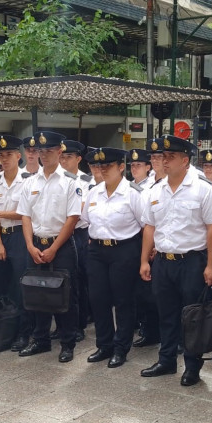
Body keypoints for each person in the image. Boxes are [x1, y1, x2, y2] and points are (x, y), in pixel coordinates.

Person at [139, 135, 212, 386]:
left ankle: (192, 366)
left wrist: (211, 265)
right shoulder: (156, 191)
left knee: (192, 316)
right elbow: (149, 228)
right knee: (166, 313)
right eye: (162, 156)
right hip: (164, 261)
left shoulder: (202, 189)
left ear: (185, 160)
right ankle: (166, 360)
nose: (164, 161)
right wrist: (145, 260)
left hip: (192, 262)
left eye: (170, 157)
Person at [16, 131, 81, 363]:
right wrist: (30, 246)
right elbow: (24, 216)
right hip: (35, 244)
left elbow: (72, 218)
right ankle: (40, 340)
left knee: (65, 295)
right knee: (36, 293)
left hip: (60, 246)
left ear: (60, 151)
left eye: (49, 151)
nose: (44, 155)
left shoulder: (71, 182)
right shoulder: (30, 182)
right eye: (40, 151)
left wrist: (54, 248)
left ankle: (67, 343)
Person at [82, 148, 145, 368]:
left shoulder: (133, 193)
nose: (103, 170)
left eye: (108, 166)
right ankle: (104, 345)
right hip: (97, 251)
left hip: (124, 250)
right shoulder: (94, 192)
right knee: (98, 299)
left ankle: (121, 348)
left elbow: (145, 225)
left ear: (121, 167)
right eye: (100, 166)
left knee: (123, 301)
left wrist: (145, 256)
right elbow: (87, 220)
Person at [0, 135, 34, 351]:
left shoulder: (27, 181)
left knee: (20, 285)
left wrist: (1, 214)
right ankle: (4, 328)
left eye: (8, 155)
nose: (4, 159)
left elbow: (25, 213)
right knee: (0, 284)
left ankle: (24, 333)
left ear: (18, 156)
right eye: (1, 155)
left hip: (19, 237)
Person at [59, 139, 91, 341]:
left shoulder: (85, 181)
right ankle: (60, 325)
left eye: (68, 157)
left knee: (78, 280)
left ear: (78, 159)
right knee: (59, 280)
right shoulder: (56, 179)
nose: (63, 161)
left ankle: (79, 324)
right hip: (57, 232)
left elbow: (80, 210)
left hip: (77, 233)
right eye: (61, 157)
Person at [131, 145, 161, 349]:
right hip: (145, 244)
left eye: (162, 157)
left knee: (164, 296)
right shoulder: (150, 187)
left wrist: (157, 245)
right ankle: (149, 331)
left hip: (165, 246)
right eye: (156, 157)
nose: (160, 160)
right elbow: (145, 222)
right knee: (145, 294)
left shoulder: (163, 184)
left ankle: (176, 338)